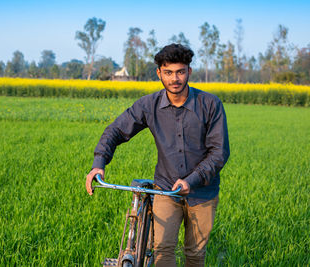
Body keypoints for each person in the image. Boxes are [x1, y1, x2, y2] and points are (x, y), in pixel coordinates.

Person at [86, 43, 230, 267]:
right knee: (162, 250)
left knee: (194, 254)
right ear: (159, 74)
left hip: (203, 192)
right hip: (166, 189)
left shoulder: (210, 105)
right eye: (169, 72)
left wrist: (191, 181)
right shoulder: (148, 105)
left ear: (189, 72)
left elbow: (219, 152)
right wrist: (99, 163)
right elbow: (116, 130)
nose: (175, 78)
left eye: (180, 71)